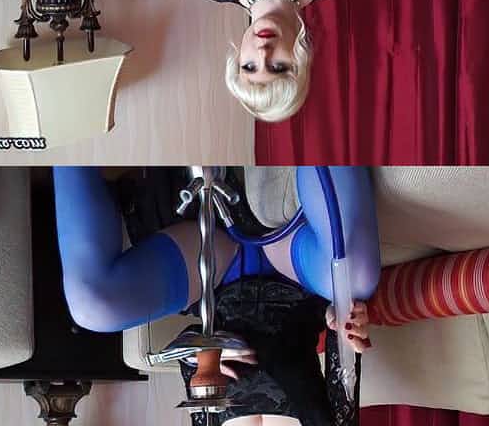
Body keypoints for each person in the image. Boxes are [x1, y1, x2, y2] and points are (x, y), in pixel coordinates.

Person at [53, 166, 380, 425]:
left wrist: (204, 355)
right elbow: (341, 351)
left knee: (92, 308)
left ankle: (67, 139)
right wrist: (343, 322)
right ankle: (321, 130)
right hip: (296, 272)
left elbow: (191, 360)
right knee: (357, 280)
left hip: (215, 272)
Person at [193, 0, 359, 122]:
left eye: (249, 66)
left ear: (238, 58)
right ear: (298, 62)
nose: (263, 53)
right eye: (277, 67)